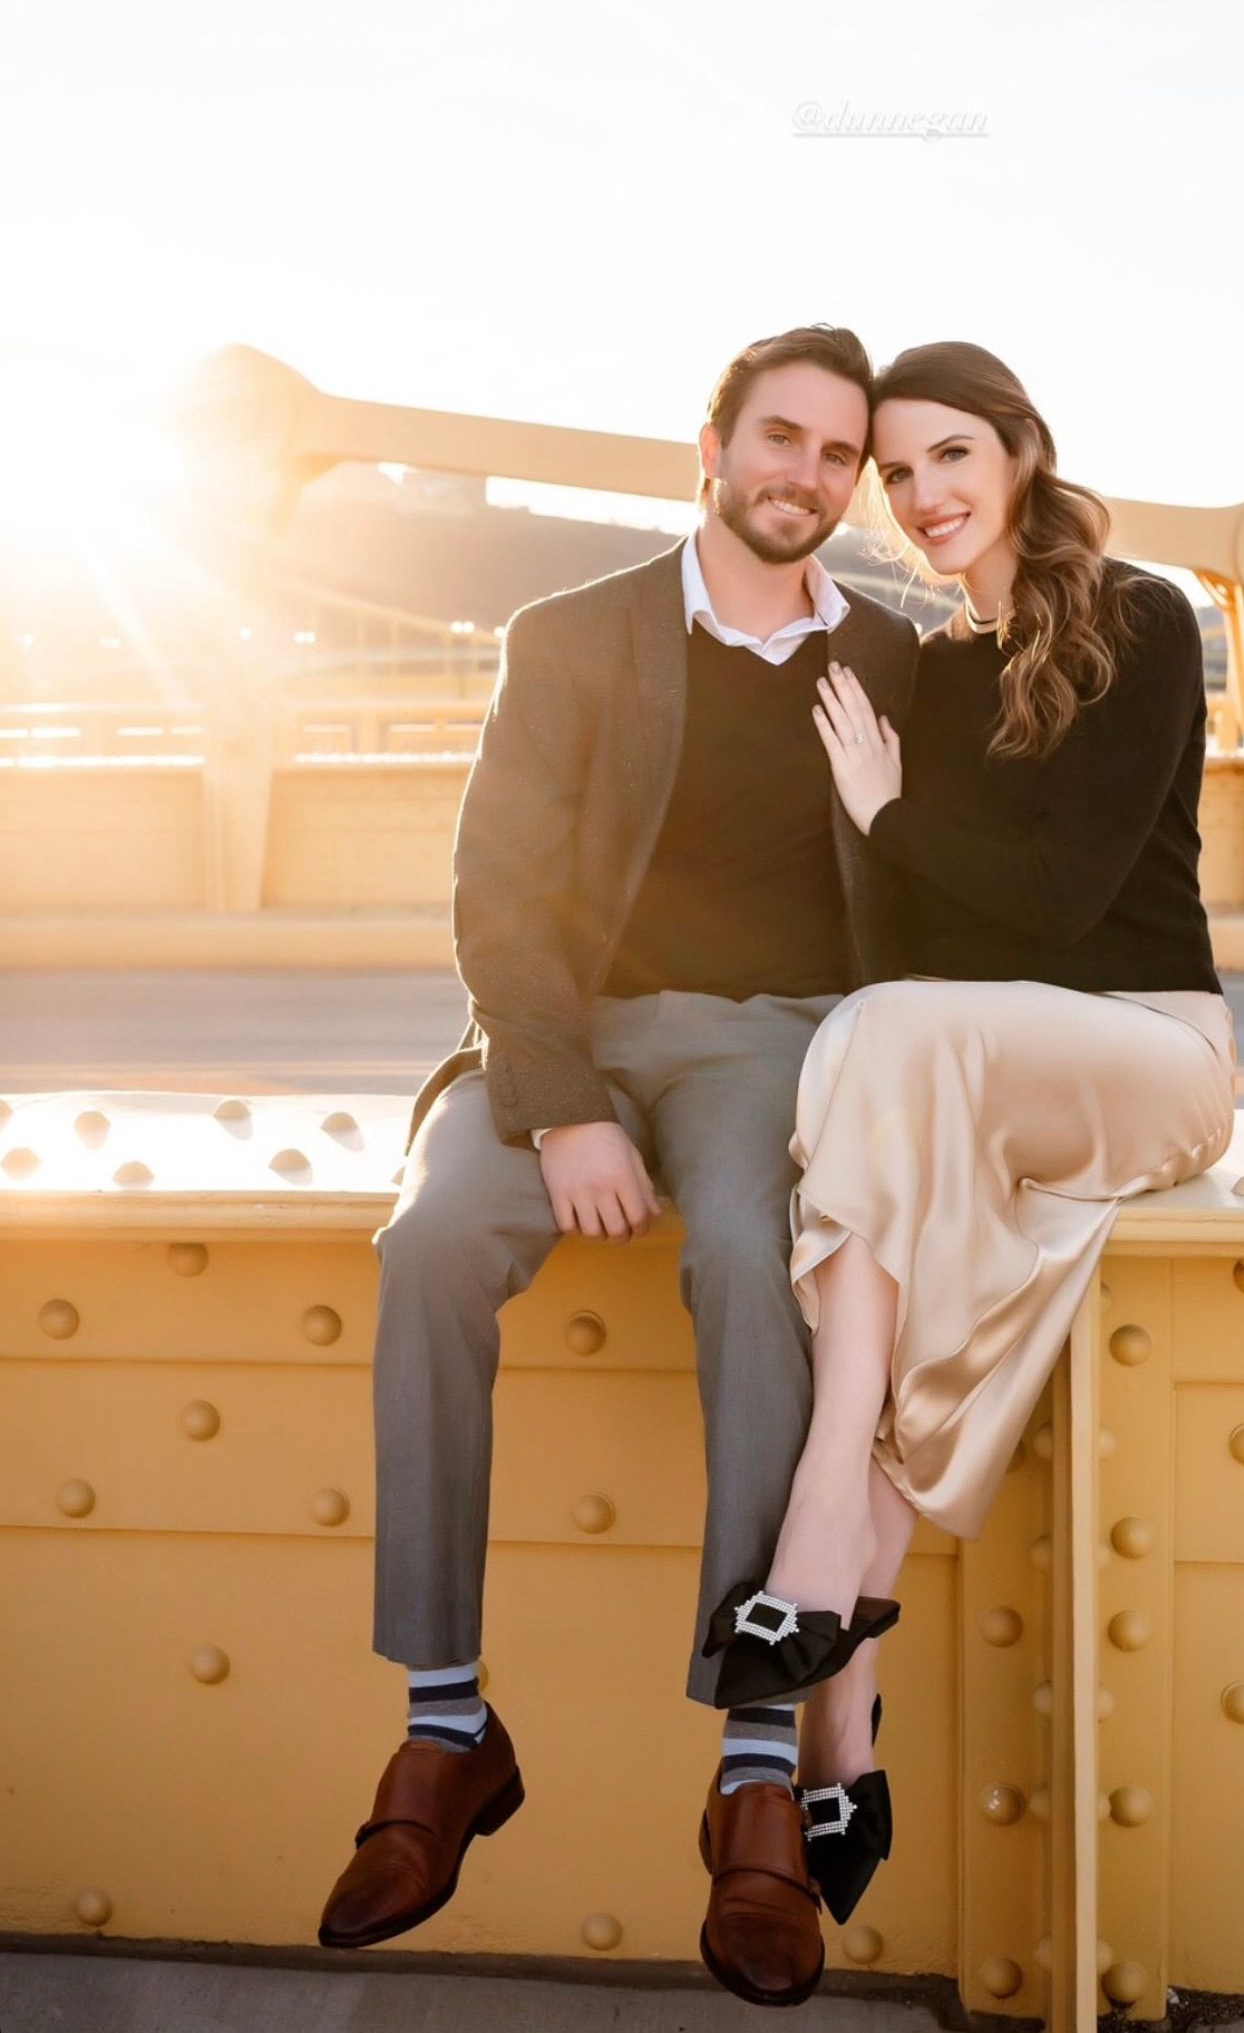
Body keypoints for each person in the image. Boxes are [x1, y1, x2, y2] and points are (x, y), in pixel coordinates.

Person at [317, 324, 919, 2005]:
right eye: (781, 437)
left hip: (772, 1041)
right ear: (711, 447)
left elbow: (952, 875)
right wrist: (564, 1098)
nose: (807, 474)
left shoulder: (891, 653)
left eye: (839, 454)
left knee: (750, 1245)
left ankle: (753, 1762)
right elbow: (499, 888)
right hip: (567, 1031)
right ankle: (447, 1723)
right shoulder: (573, 634)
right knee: (432, 1236)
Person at [704, 340, 1236, 1938]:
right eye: (896, 472)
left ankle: (814, 1520)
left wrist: (889, 812)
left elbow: (1061, 904)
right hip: (980, 1070)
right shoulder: (930, 673)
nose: (922, 494)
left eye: (951, 455)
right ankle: (841, 1730)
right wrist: (877, 836)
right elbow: (912, 944)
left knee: (886, 1045)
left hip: (1149, 1058)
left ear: (1019, 450)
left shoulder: (1143, 618)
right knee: (890, 1215)